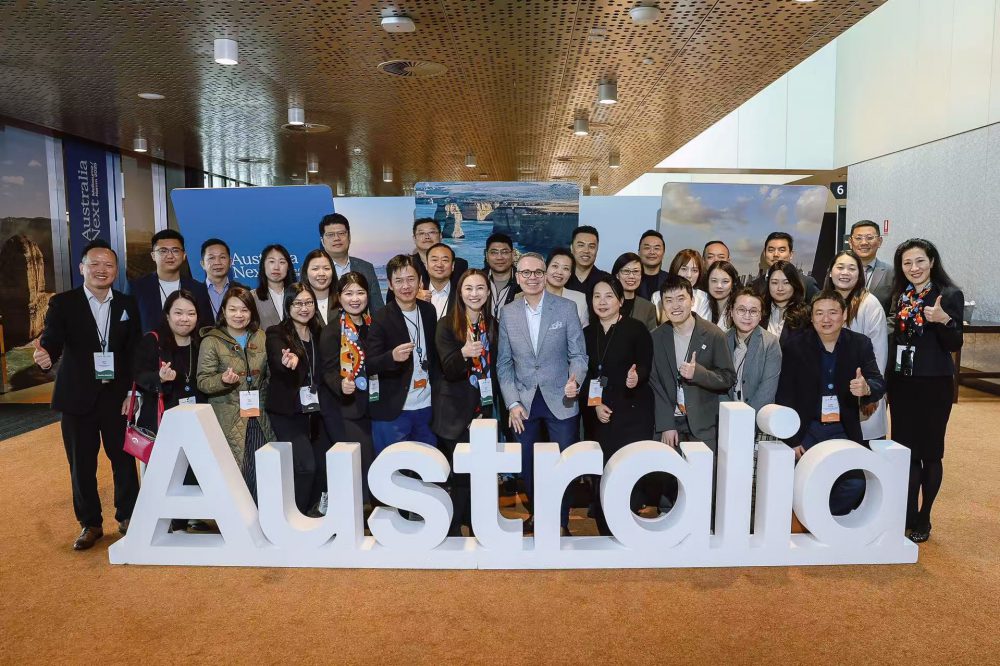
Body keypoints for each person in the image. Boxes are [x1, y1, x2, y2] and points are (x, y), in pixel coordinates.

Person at [33, 240, 141, 550]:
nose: (101, 270)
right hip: (77, 397)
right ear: (82, 268)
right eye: (95, 264)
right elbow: (52, 339)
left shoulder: (126, 304)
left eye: (108, 265)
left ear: (116, 270)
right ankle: (90, 523)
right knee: (81, 464)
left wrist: (132, 392)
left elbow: (134, 351)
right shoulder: (63, 303)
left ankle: (128, 516)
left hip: (117, 397)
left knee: (123, 460)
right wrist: (45, 355)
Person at [497, 252, 588, 535]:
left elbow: (579, 355)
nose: (532, 278)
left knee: (563, 465)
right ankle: (539, 514)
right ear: (517, 276)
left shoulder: (566, 308)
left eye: (538, 272)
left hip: (562, 400)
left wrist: (576, 380)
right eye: (526, 273)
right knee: (527, 464)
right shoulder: (508, 313)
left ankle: (560, 522)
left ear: (546, 274)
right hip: (523, 403)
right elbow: (504, 364)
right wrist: (512, 402)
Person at [776, 290, 885, 516]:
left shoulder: (859, 344)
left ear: (844, 315)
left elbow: (878, 382)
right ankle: (810, 517)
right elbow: (785, 395)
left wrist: (866, 389)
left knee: (856, 483)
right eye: (819, 313)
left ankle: (821, 517)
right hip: (808, 429)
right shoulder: (795, 346)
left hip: (843, 429)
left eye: (833, 312)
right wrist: (792, 439)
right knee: (795, 480)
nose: (826, 319)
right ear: (812, 317)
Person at [886, 238, 963, 543]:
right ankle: (907, 512)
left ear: (932, 262)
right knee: (906, 452)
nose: (914, 268)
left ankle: (924, 516)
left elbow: (954, 343)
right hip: (902, 383)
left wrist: (944, 320)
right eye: (907, 263)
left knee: (930, 453)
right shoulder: (901, 295)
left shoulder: (948, 294)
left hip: (934, 384)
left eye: (919, 261)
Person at [580, 276, 654, 535]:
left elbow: (645, 364)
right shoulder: (586, 333)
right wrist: (596, 405)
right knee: (603, 469)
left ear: (621, 301)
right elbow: (586, 375)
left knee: (628, 468)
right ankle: (604, 525)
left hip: (632, 411)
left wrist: (636, 377)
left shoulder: (636, 329)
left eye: (609, 296)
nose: (602, 302)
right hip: (599, 412)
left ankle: (628, 527)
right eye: (597, 296)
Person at [132, 289, 206, 532]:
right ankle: (166, 521)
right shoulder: (152, 341)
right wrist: (160, 377)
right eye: (178, 313)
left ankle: (189, 516)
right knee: (167, 472)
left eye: (191, 313)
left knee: (193, 467)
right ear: (167, 315)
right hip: (163, 418)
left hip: (195, 417)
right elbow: (139, 375)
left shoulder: (201, 343)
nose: (185, 319)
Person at [433, 269, 497, 536]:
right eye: (468, 288)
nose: (474, 294)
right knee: (460, 475)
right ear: (460, 293)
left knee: (480, 474)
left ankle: (476, 524)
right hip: (454, 414)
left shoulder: (492, 324)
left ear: (488, 292)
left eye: (480, 288)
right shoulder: (446, 325)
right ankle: (452, 529)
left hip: (483, 410)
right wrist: (463, 353)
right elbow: (448, 370)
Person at [196, 285, 274, 502]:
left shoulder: (260, 337)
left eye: (244, 310)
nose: (239, 315)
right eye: (233, 309)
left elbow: (269, 375)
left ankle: (264, 518)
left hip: (260, 415)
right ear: (223, 311)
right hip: (228, 417)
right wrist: (222, 380)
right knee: (236, 474)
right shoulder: (211, 341)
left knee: (264, 471)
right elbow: (203, 381)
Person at [650, 274, 735, 460]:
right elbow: (655, 384)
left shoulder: (714, 335)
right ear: (662, 305)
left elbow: (728, 377)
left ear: (692, 300)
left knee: (704, 475)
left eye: (681, 298)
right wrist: (666, 424)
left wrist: (699, 374)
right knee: (667, 475)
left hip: (703, 425)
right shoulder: (656, 337)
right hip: (670, 424)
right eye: (669, 300)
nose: (675, 306)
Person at [265, 283, 331, 515]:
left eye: (309, 303)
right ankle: (296, 515)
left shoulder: (319, 332)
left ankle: (315, 512)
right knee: (305, 466)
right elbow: (277, 359)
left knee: (324, 465)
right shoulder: (277, 333)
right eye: (298, 303)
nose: (304, 308)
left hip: (315, 411)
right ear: (288, 305)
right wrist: (288, 362)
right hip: (288, 412)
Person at [367, 254, 440, 459]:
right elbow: (369, 364)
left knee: (428, 467)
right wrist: (391, 357)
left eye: (410, 279)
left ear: (420, 281)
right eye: (398, 281)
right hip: (394, 409)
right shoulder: (381, 317)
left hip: (427, 406)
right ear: (390, 285)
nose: (406, 286)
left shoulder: (429, 311)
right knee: (393, 468)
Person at [322, 272, 377, 508]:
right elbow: (328, 370)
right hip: (346, 409)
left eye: (360, 293)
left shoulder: (375, 325)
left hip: (375, 405)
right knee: (358, 463)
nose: (355, 299)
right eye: (348, 293)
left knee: (375, 461)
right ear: (339, 296)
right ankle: (356, 512)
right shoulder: (332, 331)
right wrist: (340, 384)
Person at [825, 250, 888, 442]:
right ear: (830, 272)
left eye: (852, 268)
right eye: (840, 267)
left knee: (861, 448)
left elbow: (879, 354)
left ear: (860, 274)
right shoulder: (823, 302)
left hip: (861, 390)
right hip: (830, 391)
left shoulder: (870, 304)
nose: (845, 272)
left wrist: (870, 393)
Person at [126, 228, 212, 333]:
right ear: (153, 255)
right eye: (163, 251)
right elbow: (129, 329)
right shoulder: (136, 288)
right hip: (150, 343)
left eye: (175, 250)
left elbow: (206, 327)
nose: (170, 256)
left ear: (184, 255)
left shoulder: (198, 289)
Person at [723, 288, 781, 412]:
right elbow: (718, 382)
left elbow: (767, 390)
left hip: (758, 414)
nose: (747, 316)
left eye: (753, 311)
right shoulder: (722, 339)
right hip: (726, 413)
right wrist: (727, 413)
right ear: (731, 312)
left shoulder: (771, 343)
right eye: (741, 310)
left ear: (760, 315)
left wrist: (747, 417)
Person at [319, 212, 385, 312]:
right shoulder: (314, 271)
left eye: (341, 233)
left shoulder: (366, 268)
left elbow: (377, 309)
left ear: (349, 237)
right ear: (322, 241)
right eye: (330, 235)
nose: (337, 238)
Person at [524, 247, 588, 327]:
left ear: (570, 274)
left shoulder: (579, 299)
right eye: (555, 266)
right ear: (546, 269)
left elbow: (582, 332)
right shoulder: (528, 296)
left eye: (566, 268)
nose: (559, 272)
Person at [750, 232, 819, 301]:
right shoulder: (754, 285)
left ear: (791, 254)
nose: (776, 254)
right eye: (771, 250)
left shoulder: (807, 283)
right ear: (765, 254)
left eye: (781, 250)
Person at [652, 250, 712, 321]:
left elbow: (704, 326)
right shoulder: (657, 297)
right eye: (684, 269)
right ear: (675, 269)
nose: (689, 275)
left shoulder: (703, 297)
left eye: (694, 270)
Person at [847, 220, 893, 314]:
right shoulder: (838, 271)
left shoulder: (891, 272)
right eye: (858, 238)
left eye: (870, 238)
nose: (864, 242)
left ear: (879, 241)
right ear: (850, 242)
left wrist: (879, 324)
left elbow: (895, 313)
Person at [410, 217, 469, 290]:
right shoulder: (408, 264)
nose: (427, 237)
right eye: (421, 233)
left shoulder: (459, 265)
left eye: (431, 232)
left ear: (440, 236)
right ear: (414, 238)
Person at [761, 260, 811, 345]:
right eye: (774, 283)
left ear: (795, 284)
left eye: (786, 282)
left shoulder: (806, 315)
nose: (780, 288)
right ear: (768, 284)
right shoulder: (760, 311)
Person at [252, 244, 297, 332]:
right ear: (263, 265)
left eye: (282, 262)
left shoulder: (298, 295)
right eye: (272, 261)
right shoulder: (253, 297)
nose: (276, 267)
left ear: (288, 267)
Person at [611, 252, 658, 330]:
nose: (631, 276)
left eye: (636, 271)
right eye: (626, 271)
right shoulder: (606, 302)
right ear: (617, 275)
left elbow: (651, 336)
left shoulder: (648, 307)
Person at [566, 225, 610, 303]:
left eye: (591, 246)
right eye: (581, 245)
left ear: (597, 249)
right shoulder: (561, 277)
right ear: (572, 248)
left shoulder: (607, 280)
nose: (586, 251)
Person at [200, 238, 239, 321]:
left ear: (230, 262)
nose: (217, 262)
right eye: (211, 258)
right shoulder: (194, 292)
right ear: (202, 264)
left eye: (222, 257)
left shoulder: (242, 290)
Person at [484, 232, 520, 317]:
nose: (499, 257)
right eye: (494, 252)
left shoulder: (523, 282)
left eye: (505, 252)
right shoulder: (477, 280)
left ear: (512, 254)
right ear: (486, 255)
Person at [300, 248, 336, 326]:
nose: (321, 273)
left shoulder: (342, 300)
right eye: (315, 269)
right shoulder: (298, 305)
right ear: (306, 272)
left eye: (326, 268)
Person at [706, 260, 741, 331]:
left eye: (725, 281)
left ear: (733, 284)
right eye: (714, 281)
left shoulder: (739, 309)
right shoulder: (703, 304)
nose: (719, 286)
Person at [426, 242, 457, 319]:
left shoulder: (461, 294)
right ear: (426, 265)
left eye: (445, 260)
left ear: (453, 266)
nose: (439, 265)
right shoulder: (416, 294)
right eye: (434, 260)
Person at [637, 230, 669, 300]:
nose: (652, 252)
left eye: (656, 248)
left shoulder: (671, 279)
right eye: (647, 248)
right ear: (639, 252)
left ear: (663, 253)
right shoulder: (630, 279)